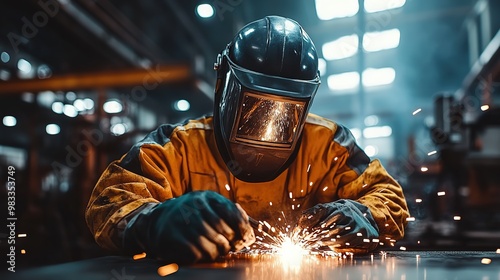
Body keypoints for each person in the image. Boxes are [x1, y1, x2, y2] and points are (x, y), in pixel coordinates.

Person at [85, 15, 409, 264]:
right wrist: (155, 222)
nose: (267, 128)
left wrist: (362, 214)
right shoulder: (179, 146)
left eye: (284, 114)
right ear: (224, 87)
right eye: (255, 109)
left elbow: (388, 198)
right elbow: (109, 202)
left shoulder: (329, 144)